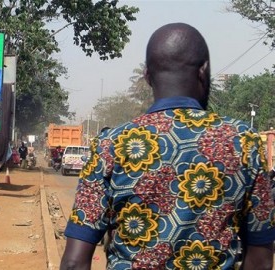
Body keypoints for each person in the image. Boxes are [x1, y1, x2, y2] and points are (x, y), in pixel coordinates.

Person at [60, 23, 275, 270]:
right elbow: (260, 260)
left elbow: (74, 263)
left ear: (147, 76)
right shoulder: (244, 142)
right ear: (204, 71)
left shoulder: (112, 145)